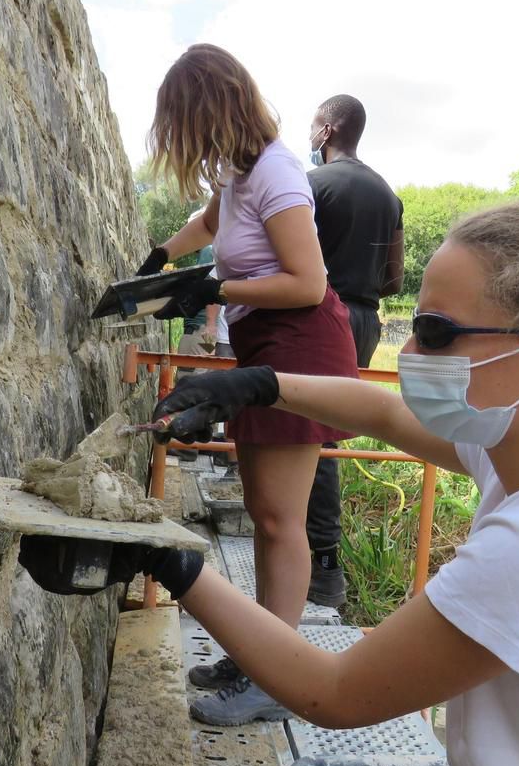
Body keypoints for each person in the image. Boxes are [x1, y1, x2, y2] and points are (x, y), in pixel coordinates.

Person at [21, 199, 519, 766]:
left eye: (434, 332)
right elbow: (389, 410)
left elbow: (334, 690)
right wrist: (258, 384)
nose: (412, 352)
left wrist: (174, 563)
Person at [132, 44, 360, 725]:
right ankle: (260, 649)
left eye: (184, 123)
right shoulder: (238, 175)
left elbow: (308, 281)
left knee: (280, 517)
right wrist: (162, 258)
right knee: (265, 510)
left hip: (302, 342)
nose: (183, 140)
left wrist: (212, 284)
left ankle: (277, 680)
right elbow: (210, 223)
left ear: (212, 111)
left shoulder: (278, 173)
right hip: (267, 341)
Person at [304, 93, 405, 607]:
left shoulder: (313, 185)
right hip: (365, 319)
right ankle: (319, 559)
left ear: (327, 130)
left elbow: (289, 260)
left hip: (320, 314)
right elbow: (396, 277)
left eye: (314, 123)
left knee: (311, 434)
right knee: (327, 432)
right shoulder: (388, 195)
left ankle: (321, 564)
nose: (311, 131)